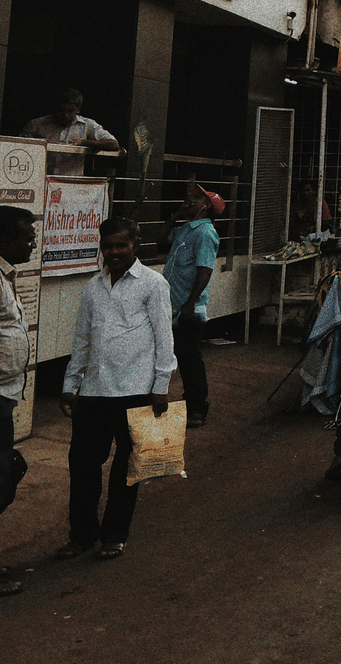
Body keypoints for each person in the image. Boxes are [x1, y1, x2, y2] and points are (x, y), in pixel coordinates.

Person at [57, 217, 176, 561]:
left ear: (135, 245)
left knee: (127, 469)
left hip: (136, 390)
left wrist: (161, 386)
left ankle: (114, 535)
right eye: (108, 246)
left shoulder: (153, 284)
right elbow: (81, 339)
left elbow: (164, 339)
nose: (114, 252)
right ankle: (81, 535)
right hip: (94, 391)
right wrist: (70, 384)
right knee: (82, 467)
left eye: (121, 245)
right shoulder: (93, 287)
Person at [0, 207, 36, 597]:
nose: (32, 242)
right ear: (3, 239)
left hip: (2, 395)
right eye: (24, 236)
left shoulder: (1, 273)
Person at [161, 183, 222, 428]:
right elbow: (160, 239)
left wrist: (190, 303)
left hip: (188, 309)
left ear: (206, 207)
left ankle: (197, 407)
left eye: (197, 199)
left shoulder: (205, 233)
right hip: (171, 305)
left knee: (189, 359)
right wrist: (175, 215)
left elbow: (205, 270)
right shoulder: (186, 229)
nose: (192, 201)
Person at [20, 87, 122, 176]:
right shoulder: (36, 125)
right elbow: (20, 150)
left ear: (78, 109)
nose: (65, 115)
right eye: (61, 110)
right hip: (40, 182)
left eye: (70, 111)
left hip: (71, 187)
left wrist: (84, 142)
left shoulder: (87, 125)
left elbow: (113, 144)